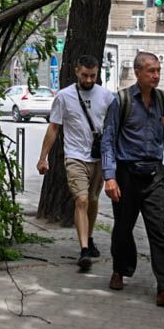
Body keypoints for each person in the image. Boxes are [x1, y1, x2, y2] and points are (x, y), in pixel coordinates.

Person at [101, 52, 164, 307]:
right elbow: (108, 139)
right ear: (138, 73)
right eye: (151, 71)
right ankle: (120, 269)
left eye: (158, 70)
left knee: (158, 228)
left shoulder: (161, 100)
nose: (156, 75)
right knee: (123, 227)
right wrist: (110, 177)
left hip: (153, 175)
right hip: (126, 174)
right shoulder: (122, 101)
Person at [37, 55, 114, 271]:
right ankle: (84, 250)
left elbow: (114, 126)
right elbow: (54, 127)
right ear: (77, 71)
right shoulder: (64, 96)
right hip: (75, 156)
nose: (89, 80)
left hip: (98, 157)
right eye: (85, 75)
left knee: (93, 199)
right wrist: (43, 157)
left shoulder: (107, 96)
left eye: (93, 76)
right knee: (81, 199)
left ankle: (89, 237)